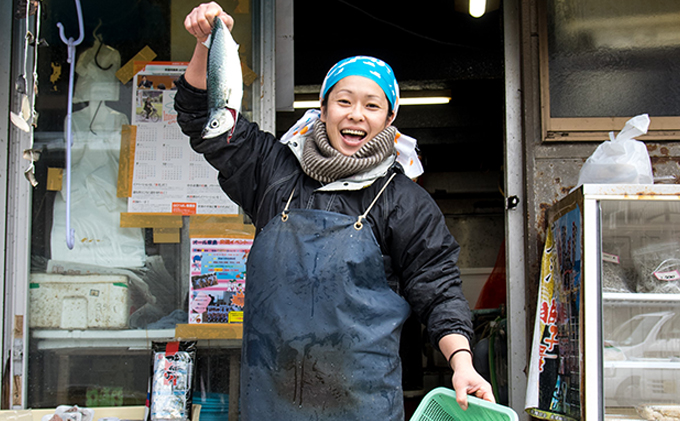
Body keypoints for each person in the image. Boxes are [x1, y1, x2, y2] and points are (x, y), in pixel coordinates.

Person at [176, 3, 495, 420]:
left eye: (372, 105)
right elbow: (206, 119)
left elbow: (438, 290)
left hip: (361, 405)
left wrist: (463, 362)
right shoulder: (274, 173)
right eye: (344, 101)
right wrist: (207, 42)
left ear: (390, 118)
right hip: (272, 401)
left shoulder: (404, 201)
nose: (356, 115)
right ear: (323, 109)